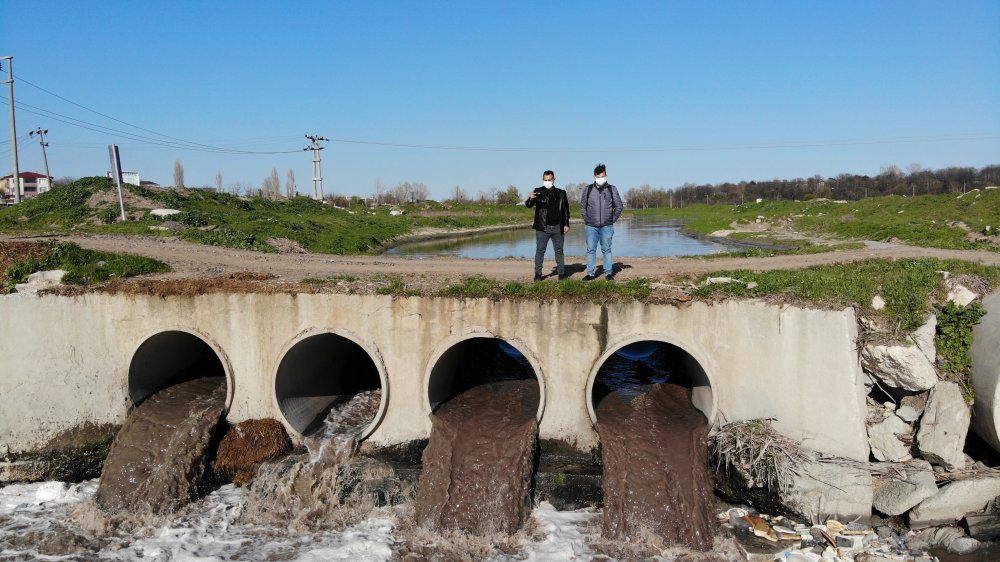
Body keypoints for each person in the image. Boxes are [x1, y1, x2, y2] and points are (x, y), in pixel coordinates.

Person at [579, 163, 622, 281]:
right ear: (594, 176)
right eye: (598, 177)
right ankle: (590, 273)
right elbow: (582, 206)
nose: (600, 179)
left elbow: (619, 206)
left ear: (606, 175)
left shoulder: (612, 189)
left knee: (607, 250)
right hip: (591, 226)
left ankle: (608, 273)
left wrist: (612, 220)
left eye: (602, 176)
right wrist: (586, 219)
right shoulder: (588, 189)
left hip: (607, 226)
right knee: (591, 250)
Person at [525, 169, 570, 281]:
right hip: (542, 227)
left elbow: (565, 210)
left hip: (557, 227)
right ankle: (538, 274)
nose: (547, 181)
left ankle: (561, 273)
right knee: (540, 250)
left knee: (559, 251)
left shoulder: (561, 193)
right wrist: (531, 198)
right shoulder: (538, 191)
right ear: (542, 179)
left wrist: (566, 224)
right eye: (545, 180)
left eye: (549, 180)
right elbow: (528, 205)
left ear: (554, 179)